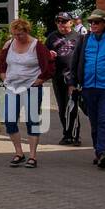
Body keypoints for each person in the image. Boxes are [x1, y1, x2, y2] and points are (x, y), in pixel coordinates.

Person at [0, 19, 52, 168]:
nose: (17, 38)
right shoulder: (9, 44)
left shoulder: (37, 46)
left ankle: (33, 156)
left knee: (32, 121)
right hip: (12, 87)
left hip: (31, 87)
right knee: (9, 119)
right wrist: (3, 76)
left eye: (20, 34)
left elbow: (50, 64)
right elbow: (1, 64)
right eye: (14, 34)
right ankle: (19, 153)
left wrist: (40, 79)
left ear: (27, 32)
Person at [73, 10, 105, 168]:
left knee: (103, 120)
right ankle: (98, 152)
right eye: (91, 22)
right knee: (94, 121)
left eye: (97, 22)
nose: (93, 25)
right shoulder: (84, 39)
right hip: (87, 87)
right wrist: (73, 82)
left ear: (104, 24)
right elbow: (76, 61)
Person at [46, 12, 82, 145]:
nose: (61, 24)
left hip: (73, 77)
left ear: (71, 23)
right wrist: (49, 55)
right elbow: (43, 55)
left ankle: (75, 136)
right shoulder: (51, 37)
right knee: (62, 107)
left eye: (64, 21)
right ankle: (67, 134)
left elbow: (82, 57)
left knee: (72, 106)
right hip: (58, 76)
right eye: (58, 21)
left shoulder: (78, 37)